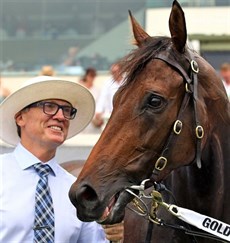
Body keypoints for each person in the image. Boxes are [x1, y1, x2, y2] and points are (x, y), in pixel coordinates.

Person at [0, 76, 124, 242]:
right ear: (20, 117)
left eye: (66, 110)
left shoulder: (77, 192)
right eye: (49, 106)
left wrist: (116, 238)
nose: (61, 116)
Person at [93, 63, 124, 128]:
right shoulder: (108, 83)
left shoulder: (127, 81)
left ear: (121, 71)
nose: (114, 74)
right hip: (110, 114)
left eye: (116, 71)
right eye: (112, 72)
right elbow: (103, 97)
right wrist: (98, 111)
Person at [79, 67, 101, 134]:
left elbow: (98, 105)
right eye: (90, 76)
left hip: (93, 120)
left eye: (93, 76)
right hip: (81, 118)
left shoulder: (97, 90)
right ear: (86, 76)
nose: (92, 78)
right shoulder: (80, 88)